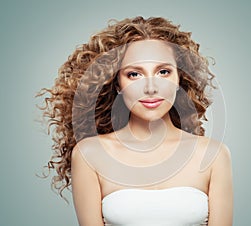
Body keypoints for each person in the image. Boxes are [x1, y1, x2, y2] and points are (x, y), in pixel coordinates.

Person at [36, 16, 233, 226]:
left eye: (163, 72)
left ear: (179, 80)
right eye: (134, 74)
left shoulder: (214, 155)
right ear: (118, 85)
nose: (150, 88)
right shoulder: (89, 155)